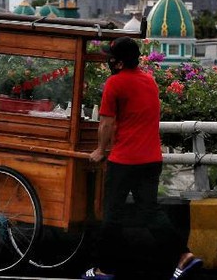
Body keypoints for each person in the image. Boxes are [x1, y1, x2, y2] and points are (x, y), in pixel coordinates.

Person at [82, 36, 203, 280]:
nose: (109, 61)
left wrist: (99, 150)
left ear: (118, 62)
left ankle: (104, 269)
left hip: (125, 160)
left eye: (111, 58)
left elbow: (106, 123)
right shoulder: (149, 81)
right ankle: (183, 256)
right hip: (151, 159)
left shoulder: (114, 84)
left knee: (112, 214)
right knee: (150, 212)